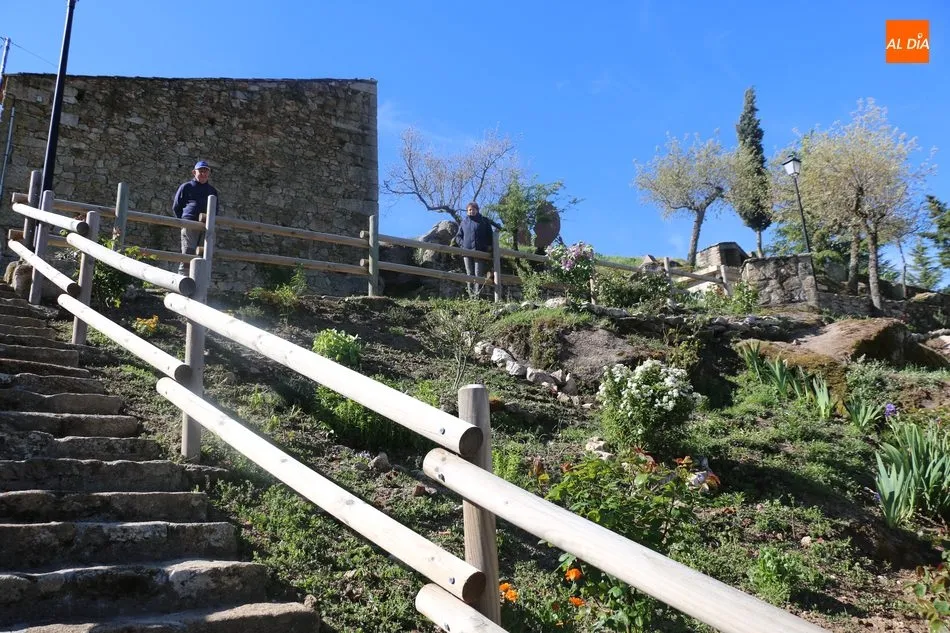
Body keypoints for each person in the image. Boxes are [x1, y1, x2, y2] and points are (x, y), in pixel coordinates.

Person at [172, 160, 220, 275]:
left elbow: (216, 209)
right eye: (201, 171)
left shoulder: (212, 191)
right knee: (188, 252)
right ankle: (183, 279)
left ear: (209, 173)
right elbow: (176, 207)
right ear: (194, 172)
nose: (203, 174)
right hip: (189, 224)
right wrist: (184, 222)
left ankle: (199, 280)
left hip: (206, 226)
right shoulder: (186, 187)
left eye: (206, 171)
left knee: (204, 253)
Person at [455, 201, 499, 297]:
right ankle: (471, 296)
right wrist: (463, 245)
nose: (471, 211)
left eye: (473, 209)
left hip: (480, 252)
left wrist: (488, 247)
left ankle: (477, 296)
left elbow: (490, 235)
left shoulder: (484, 221)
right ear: (467, 211)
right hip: (467, 252)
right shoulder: (464, 222)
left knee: (478, 274)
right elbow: (458, 237)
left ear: (477, 210)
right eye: (469, 210)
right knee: (469, 274)